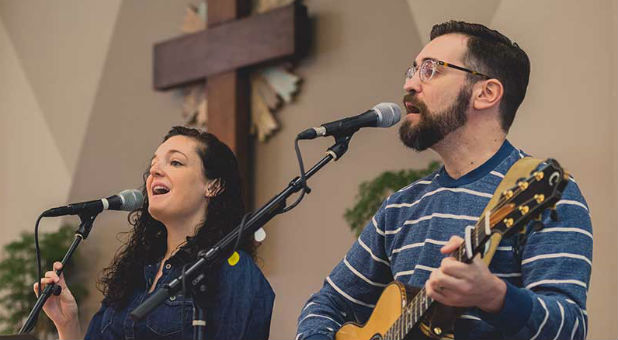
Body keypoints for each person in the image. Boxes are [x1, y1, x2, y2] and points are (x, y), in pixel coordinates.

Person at [296, 21, 592, 340]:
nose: (410, 85)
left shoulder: (541, 190)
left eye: (430, 70)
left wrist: (495, 297)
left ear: (486, 93)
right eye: (412, 71)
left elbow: (570, 327)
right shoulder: (401, 207)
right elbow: (327, 304)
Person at [35, 126, 275, 340]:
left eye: (176, 163)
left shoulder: (234, 270)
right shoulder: (136, 272)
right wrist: (67, 324)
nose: (155, 172)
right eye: (153, 165)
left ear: (213, 186)